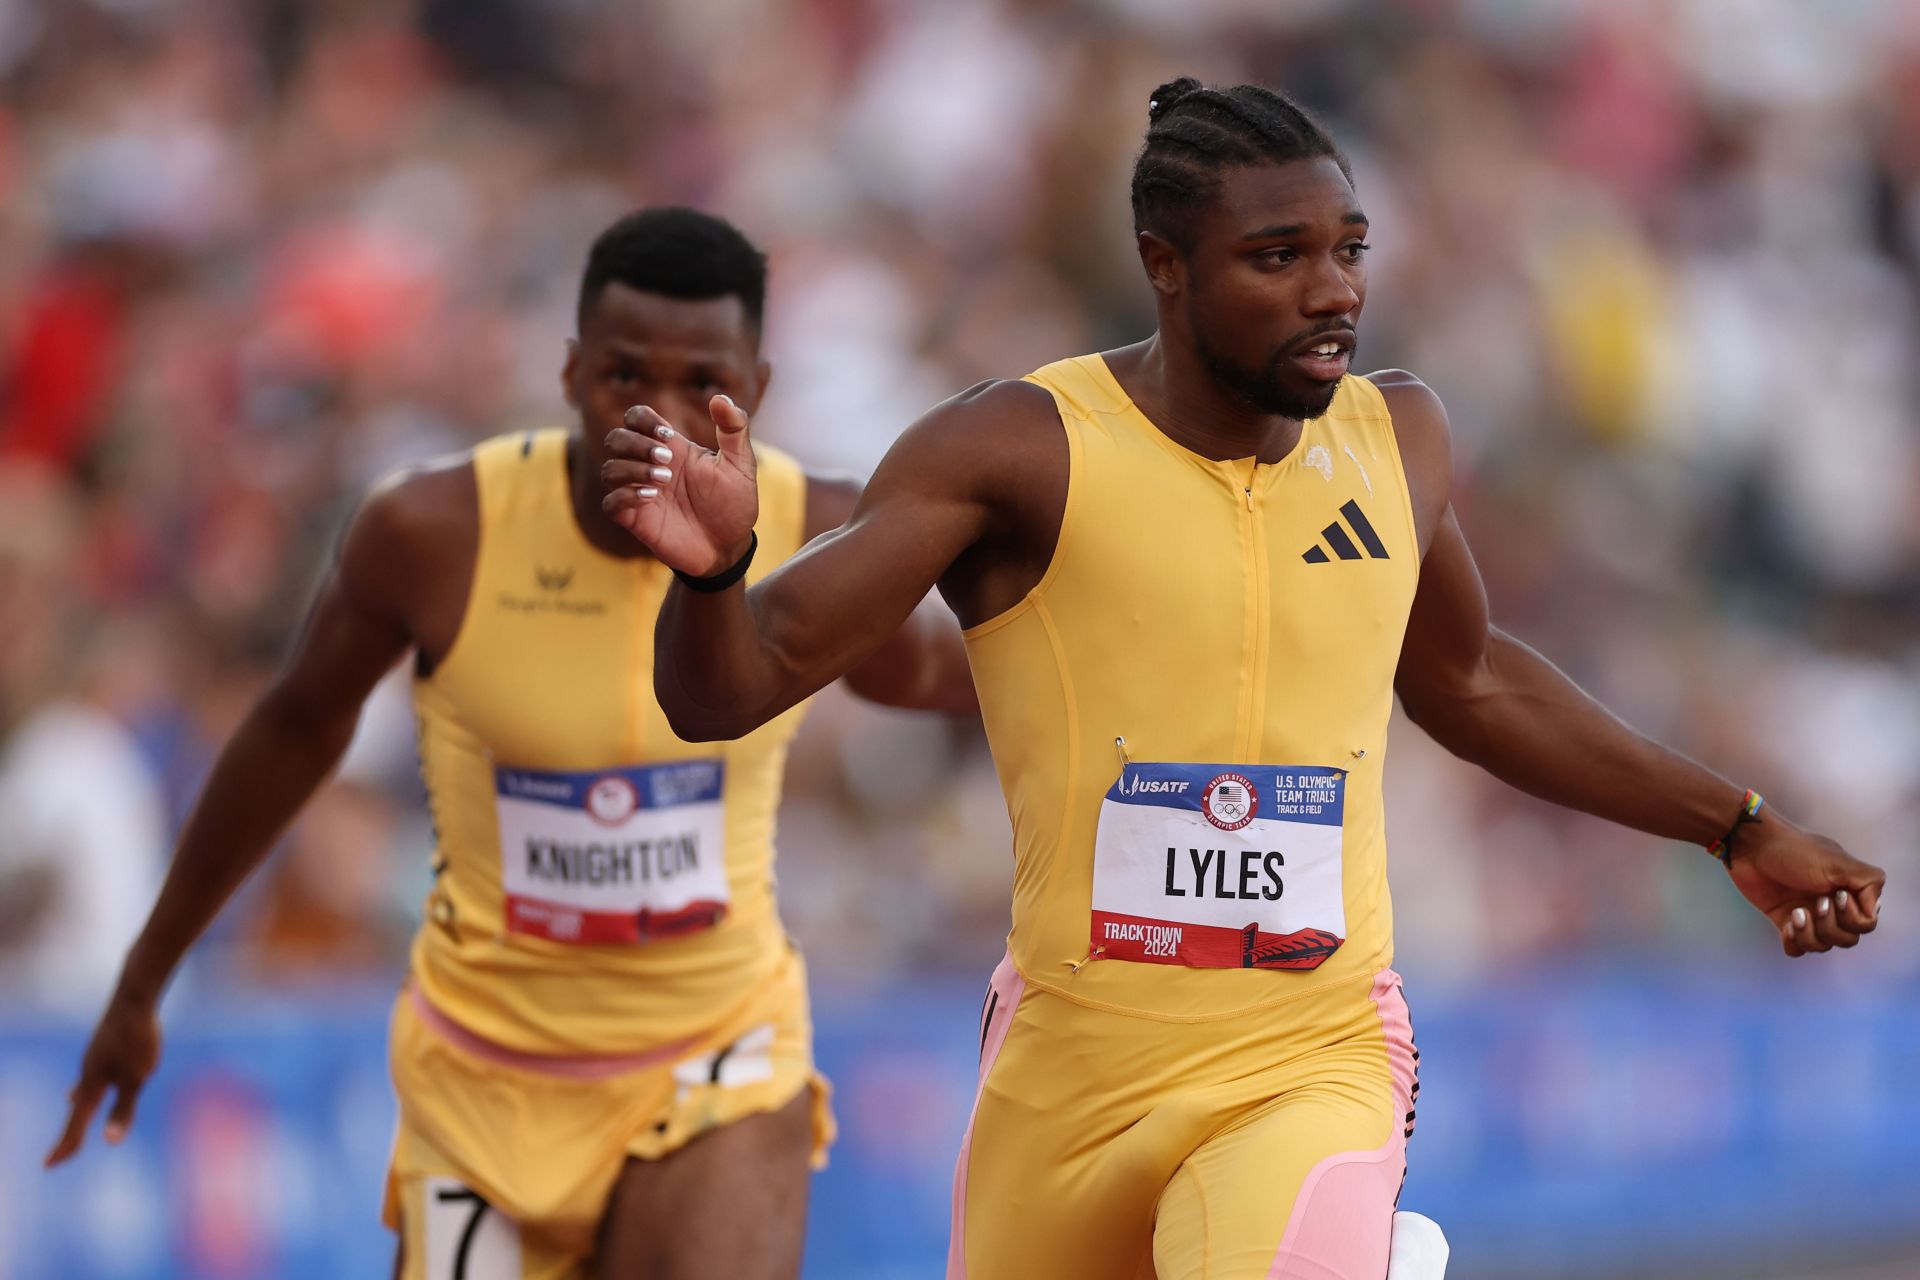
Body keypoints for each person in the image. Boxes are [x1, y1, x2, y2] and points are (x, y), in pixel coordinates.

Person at [599, 80, 1888, 1280]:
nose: (1332, 291)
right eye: (1278, 258)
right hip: (1072, 1072)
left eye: (1350, 249)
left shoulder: (1400, 438)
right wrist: (711, 575)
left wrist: (1738, 822)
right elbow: (729, 688)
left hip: (1310, 1052)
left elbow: (1476, 683)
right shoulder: (1016, 449)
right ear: (1165, 269)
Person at [45, 207, 976, 1280]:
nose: (660, 413)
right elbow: (293, 729)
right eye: (626, 373)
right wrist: (143, 978)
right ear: (571, 369)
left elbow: (940, 671)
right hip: (483, 1080)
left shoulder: (815, 526)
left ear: (755, 386)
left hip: (716, 1053)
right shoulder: (436, 534)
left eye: (700, 380)